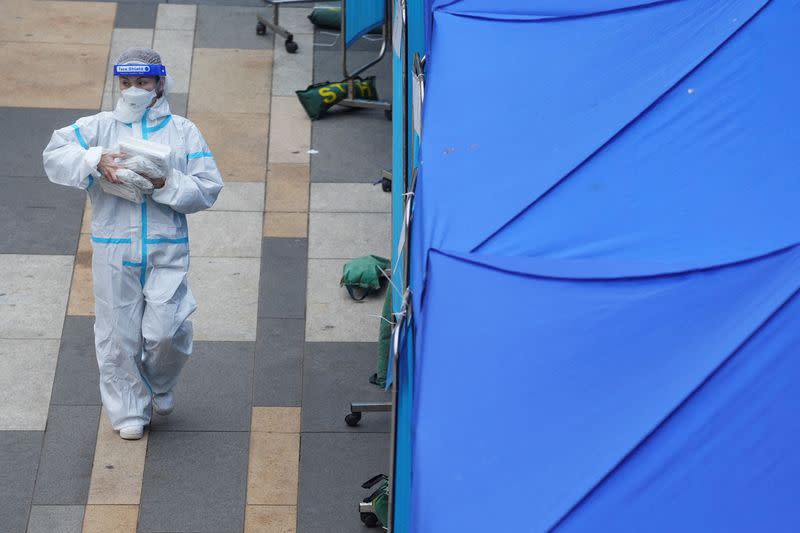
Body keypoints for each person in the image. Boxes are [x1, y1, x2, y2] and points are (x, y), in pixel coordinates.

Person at [42, 48, 223, 440]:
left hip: (165, 246)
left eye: (143, 82)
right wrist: (95, 160)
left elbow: (208, 188)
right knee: (117, 333)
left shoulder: (183, 131)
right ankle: (129, 411)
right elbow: (56, 153)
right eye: (126, 83)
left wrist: (164, 182)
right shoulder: (101, 127)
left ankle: (159, 382)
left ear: (160, 83)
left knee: (167, 330)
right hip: (113, 245)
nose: (134, 90)